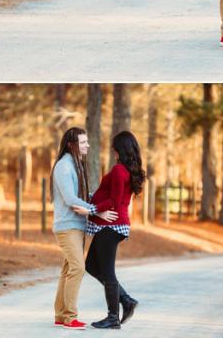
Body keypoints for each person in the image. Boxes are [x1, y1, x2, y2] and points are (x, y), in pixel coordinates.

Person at [72, 131, 147, 330]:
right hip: (114, 225)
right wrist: (90, 199)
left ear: (120, 148)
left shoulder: (119, 170)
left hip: (112, 225)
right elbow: (110, 196)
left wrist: (91, 209)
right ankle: (126, 300)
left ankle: (113, 317)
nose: (112, 150)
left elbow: (113, 201)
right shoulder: (127, 170)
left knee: (107, 271)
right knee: (91, 266)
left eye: (114, 147)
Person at [51, 127, 117, 330]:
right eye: (83, 142)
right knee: (78, 268)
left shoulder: (76, 164)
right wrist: (97, 212)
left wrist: (98, 203)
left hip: (76, 225)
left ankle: (61, 314)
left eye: (87, 141)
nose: (87, 145)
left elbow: (82, 196)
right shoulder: (64, 166)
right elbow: (71, 199)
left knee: (68, 269)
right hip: (67, 226)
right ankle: (70, 317)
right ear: (72, 145)